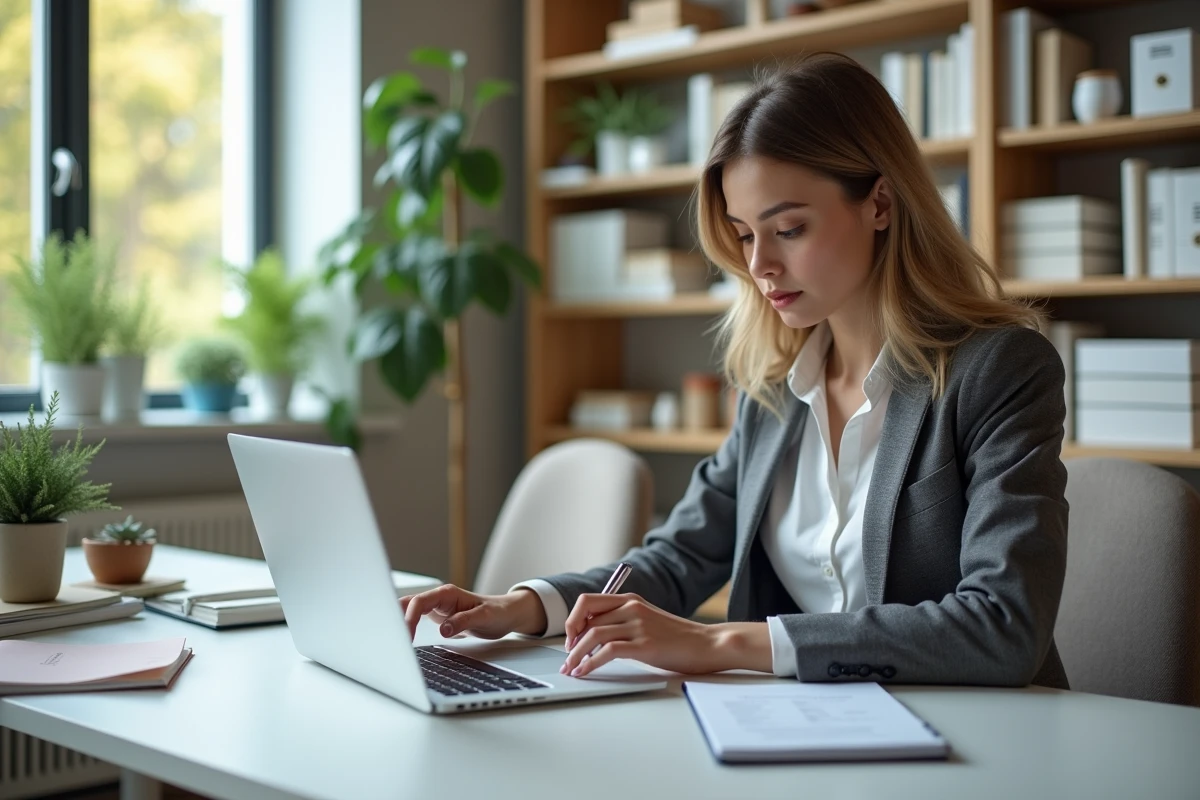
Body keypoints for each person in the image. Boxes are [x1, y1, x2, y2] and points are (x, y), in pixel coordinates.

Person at [401, 52, 1070, 688]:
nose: (759, 266)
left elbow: (1003, 625)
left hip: (979, 736)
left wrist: (722, 643)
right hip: (806, 726)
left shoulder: (999, 370)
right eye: (746, 234)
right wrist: (521, 606)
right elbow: (681, 557)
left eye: (789, 229)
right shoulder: (776, 388)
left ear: (881, 204)